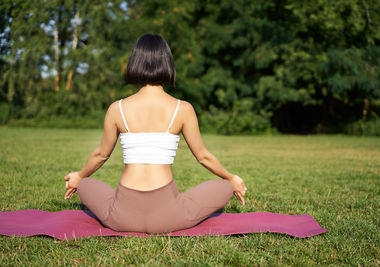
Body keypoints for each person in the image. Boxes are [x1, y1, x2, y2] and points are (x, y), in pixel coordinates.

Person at [63, 33, 247, 233]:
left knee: (86, 184)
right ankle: (191, 199)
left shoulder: (117, 108)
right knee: (224, 187)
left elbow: (101, 154)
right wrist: (231, 178)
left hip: (122, 216)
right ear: (167, 63)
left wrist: (79, 176)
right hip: (169, 216)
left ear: (135, 62)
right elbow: (203, 157)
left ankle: (86, 184)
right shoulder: (182, 109)